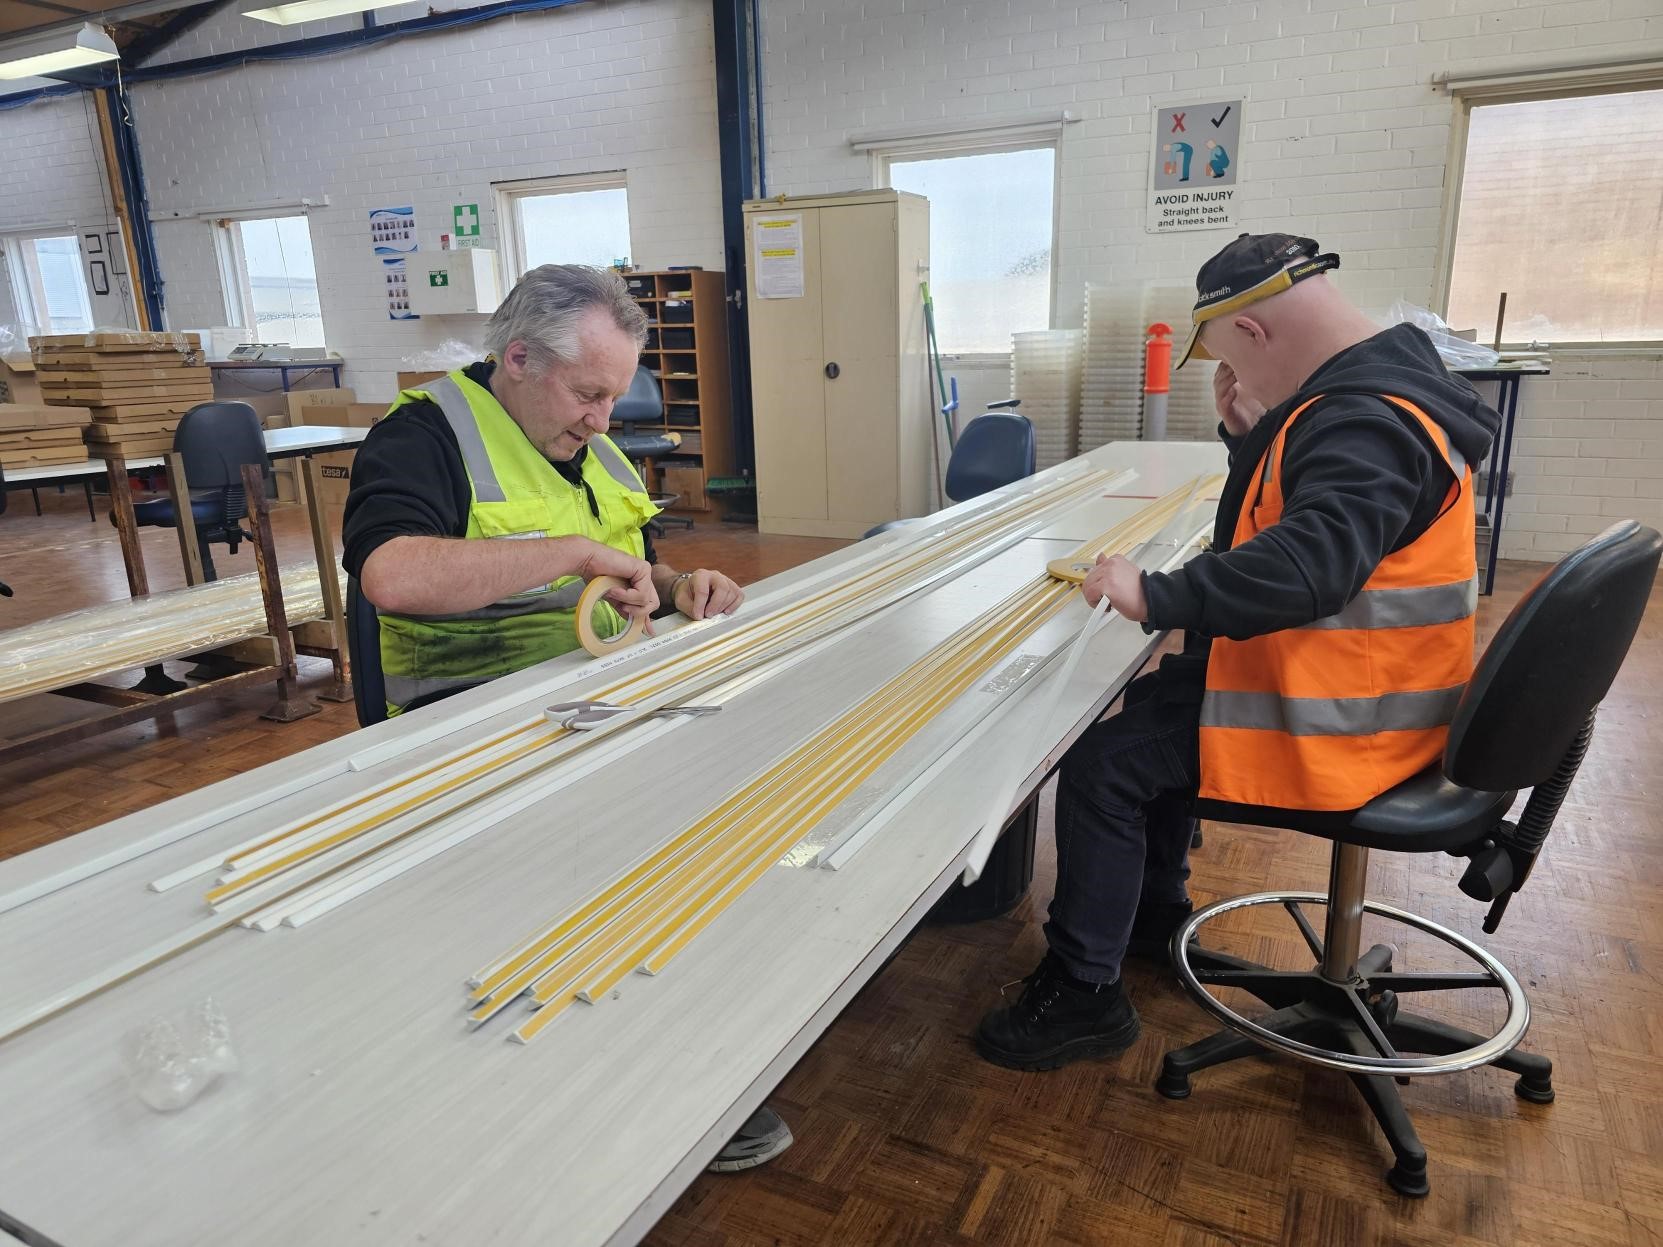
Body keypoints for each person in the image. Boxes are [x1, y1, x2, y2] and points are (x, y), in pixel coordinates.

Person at [975, 233, 1500, 1071]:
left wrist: (1153, 595)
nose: (1232, 377)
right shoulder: (1377, 391)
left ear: (1254, 332)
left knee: (1104, 764)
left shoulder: (1362, 419)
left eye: (1230, 359)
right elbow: (1307, 519)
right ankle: (1151, 916)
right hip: (1364, 689)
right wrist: (1249, 439)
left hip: (1347, 725)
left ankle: (1082, 992)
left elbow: (1306, 568)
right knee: (1156, 701)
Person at [342, 263, 790, 1172]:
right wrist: (570, 553)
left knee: (689, 857)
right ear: (517, 359)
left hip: (590, 714)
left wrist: (674, 585)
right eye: (588, 394)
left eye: (613, 397)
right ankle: (583, 1101)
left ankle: (667, 1061)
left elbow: (630, 565)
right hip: (466, 739)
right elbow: (390, 572)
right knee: (547, 916)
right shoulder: (423, 436)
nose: (602, 419)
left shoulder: (595, 447)